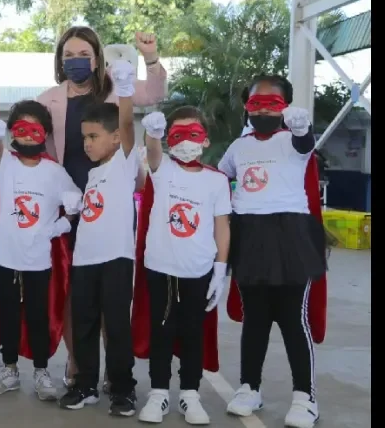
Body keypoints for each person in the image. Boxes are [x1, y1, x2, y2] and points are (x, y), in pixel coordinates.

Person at [36, 27, 167, 389]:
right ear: (59, 60)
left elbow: (155, 93)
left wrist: (151, 57)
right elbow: (36, 144)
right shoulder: (49, 99)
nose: (74, 61)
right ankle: (78, 364)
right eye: (68, 55)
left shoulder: (115, 85)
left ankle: (114, 367)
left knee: (112, 293)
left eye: (83, 54)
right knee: (74, 292)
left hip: (112, 204)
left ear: (97, 59)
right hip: (68, 207)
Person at [218, 75, 327, 428]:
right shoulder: (238, 147)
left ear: (286, 107)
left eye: (272, 102)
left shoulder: (294, 140)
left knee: (294, 320)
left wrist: (302, 127)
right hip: (249, 234)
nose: (263, 108)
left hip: (290, 235)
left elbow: (304, 143)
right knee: (256, 319)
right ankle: (250, 387)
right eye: (256, 102)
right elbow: (220, 179)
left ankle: (305, 396)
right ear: (247, 106)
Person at [0, 100, 80, 400]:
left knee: (39, 315)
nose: (28, 136)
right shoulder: (5, 164)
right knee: (8, 314)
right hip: (4, 256)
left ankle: (42, 371)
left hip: (39, 259)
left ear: (45, 134)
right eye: (21, 129)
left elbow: (74, 204)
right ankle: (9, 368)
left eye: (35, 129)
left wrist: (63, 224)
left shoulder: (55, 172)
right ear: (13, 131)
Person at [131, 106, 232, 424]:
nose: (186, 142)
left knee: (193, 333)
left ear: (205, 140)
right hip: (161, 267)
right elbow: (153, 151)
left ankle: (190, 394)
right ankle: (159, 393)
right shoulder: (162, 170)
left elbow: (222, 225)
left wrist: (220, 269)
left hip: (199, 269)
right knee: (161, 331)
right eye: (178, 134)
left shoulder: (216, 180)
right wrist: (153, 133)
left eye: (193, 134)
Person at [57, 60, 139, 417]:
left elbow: (125, 122)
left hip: (116, 260)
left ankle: (122, 388)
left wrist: (123, 88)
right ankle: (86, 384)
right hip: (84, 260)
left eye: (93, 137)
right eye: (83, 138)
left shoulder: (124, 163)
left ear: (116, 138)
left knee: (117, 327)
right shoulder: (92, 175)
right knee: (85, 324)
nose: (86, 144)